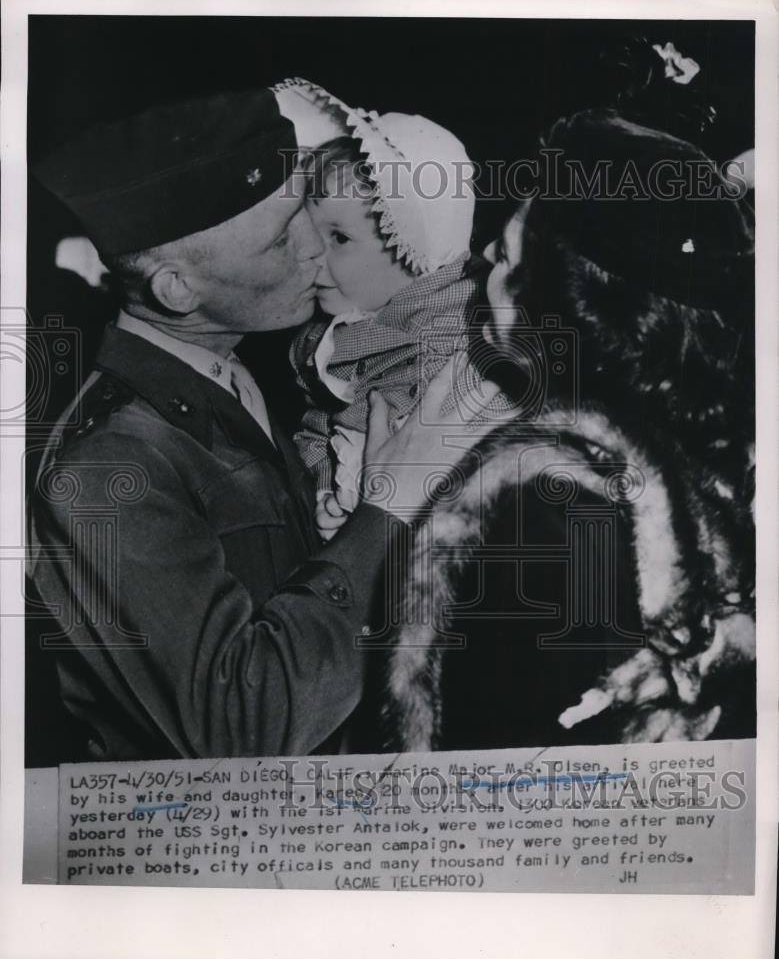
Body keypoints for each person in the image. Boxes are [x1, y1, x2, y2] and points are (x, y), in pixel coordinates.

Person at [28, 86, 507, 762]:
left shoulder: (237, 372)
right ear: (177, 290)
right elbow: (243, 726)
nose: (317, 248)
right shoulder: (108, 471)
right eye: (283, 237)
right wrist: (389, 501)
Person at [376, 104, 756, 752]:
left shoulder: (536, 504)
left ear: (557, 301)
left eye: (503, 256)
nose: (485, 267)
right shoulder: (716, 460)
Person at [272, 79, 501, 540]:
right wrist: (325, 491)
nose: (312, 253)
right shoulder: (334, 337)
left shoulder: (454, 349)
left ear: (417, 248)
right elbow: (319, 427)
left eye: (339, 238)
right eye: (307, 229)